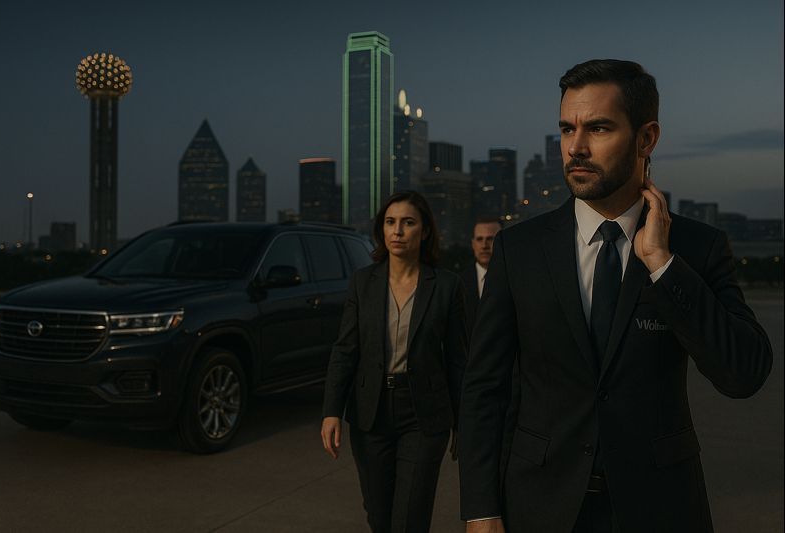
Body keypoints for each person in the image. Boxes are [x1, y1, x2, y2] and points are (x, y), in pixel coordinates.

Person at [457, 59, 773, 533]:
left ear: (647, 139)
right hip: (540, 505)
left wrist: (664, 266)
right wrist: (481, 510)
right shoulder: (518, 250)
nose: (576, 147)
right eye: (567, 129)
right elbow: (484, 388)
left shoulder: (697, 248)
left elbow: (743, 373)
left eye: (599, 128)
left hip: (660, 507)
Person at [321, 190, 468, 533]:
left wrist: (463, 422)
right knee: (379, 516)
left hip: (423, 414)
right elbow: (345, 350)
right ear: (381, 230)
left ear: (425, 231)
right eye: (390, 222)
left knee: (410, 518)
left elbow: (459, 360)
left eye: (407, 222)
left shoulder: (446, 286)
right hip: (370, 412)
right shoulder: (363, 282)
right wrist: (332, 410)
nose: (397, 231)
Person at [460, 217, 502, 338]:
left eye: (490, 239)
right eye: (479, 239)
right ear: (473, 243)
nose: (484, 245)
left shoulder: (516, 280)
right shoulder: (458, 283)